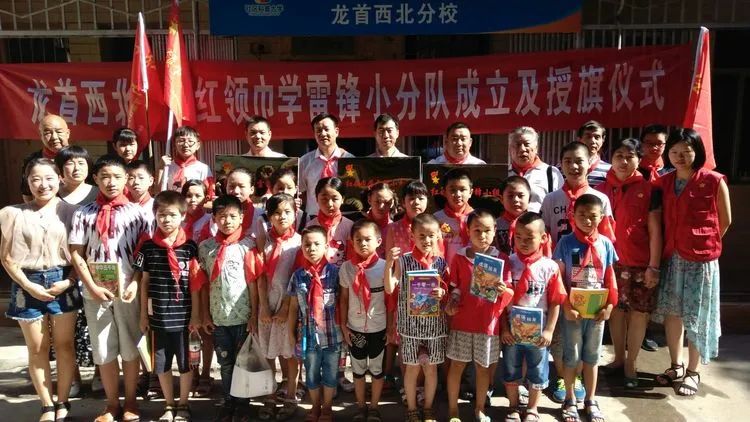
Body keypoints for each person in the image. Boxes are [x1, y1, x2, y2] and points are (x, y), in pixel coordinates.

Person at [68, 155, 152, 422]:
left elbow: (144, 254)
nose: (111, 182)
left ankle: (131, 402)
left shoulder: (139, 214)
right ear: (95, 179)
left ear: (126, 178)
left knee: (130, 347)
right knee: (103, 349)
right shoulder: (84, 213)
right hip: (95, 291)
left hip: (128, 290)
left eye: (117, 176)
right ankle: (112, 403)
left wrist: (135, 283)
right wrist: (91, 286)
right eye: (104, 176)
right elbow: (77, 253)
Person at [652, 128, 732, 396]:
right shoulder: (664, 182)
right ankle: (676, 365)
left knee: (697, 316)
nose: (679, 156)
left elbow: (725, 220)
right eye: (674, 151)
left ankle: (693, 371)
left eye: (686, 151)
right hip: (673, 257)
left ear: (697, 151)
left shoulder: (713, 180)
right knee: (673, 313)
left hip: (701, 261)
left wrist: (703, 242)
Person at [1, 158, 81, 422]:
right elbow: (7, 258)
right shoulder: (12, 213)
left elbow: (81, 255)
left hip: (63, 280)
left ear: (60, 179)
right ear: (27, 181)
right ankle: (46, 405)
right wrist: (28, 286)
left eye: (49, 178)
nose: (43, 184)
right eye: (35, 179)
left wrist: (69, 282)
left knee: (65, 345)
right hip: (27, 283)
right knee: (37, 348)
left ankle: (63, 401)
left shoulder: (74, 212)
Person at [540, 142, 614, 403]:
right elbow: (544, 237)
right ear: (561, 164)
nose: (573, 166)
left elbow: (607, 240)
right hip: (561, 273)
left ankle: (580, 377)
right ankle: (563, 376)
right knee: (562, 332)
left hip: (591, 280)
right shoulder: (551, 199)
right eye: (568, 161)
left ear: (590, 162)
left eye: (579, 160)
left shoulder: (600, 199)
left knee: (587, 333)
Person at [595, 138, 663, 388]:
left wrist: (653, 265)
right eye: (619, 156)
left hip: (640, 263)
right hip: (609, 263)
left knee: (638, 314)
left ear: (638, 159)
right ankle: (618, 358)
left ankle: (631, 362)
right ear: (611, 158)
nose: (623, 161)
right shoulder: (599, 189)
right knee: (616, 311)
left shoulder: (650, 189)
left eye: (630, 156)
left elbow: (655, 231)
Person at [134, 191, 204, 422]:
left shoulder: (190, 247)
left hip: (184, 318)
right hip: (158, 319)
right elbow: (144, 283)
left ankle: (183, 403)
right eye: (161, 215)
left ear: (183, 216)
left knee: (186, 363)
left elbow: (195, 284)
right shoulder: (148, 248)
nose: (166, 220)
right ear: (155, 215)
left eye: (172, 215)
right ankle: (169, 404)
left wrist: (196, 315)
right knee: (162, 364)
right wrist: (143, 315)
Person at [444, 210, 513, 422]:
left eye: (487, 230)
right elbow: (454, 287)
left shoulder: (501, 259)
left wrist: (503, 290)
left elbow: (509, 293)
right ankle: (453, 410)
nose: (482, 235)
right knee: (456, 366)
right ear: (468, 231)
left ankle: (480, 408)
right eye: (477, 230)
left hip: (488, 324)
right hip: (462, 322)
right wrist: (451, 302)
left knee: (483, 369)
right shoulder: (459, 257)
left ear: (494, 231)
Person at [554, 194, 618, 422]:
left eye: (593, 216)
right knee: (571, 356)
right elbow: (558, 277)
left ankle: (591, 399)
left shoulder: (606, 244)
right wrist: (566, 305)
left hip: (597, 310)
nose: (587, 220)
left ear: (601, 217)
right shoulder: (565, 242)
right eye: (582, 214)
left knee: (592, 357)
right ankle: (569, 399)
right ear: (573, 215)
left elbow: (610, 277)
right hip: (573, 310)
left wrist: (610, 305)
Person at [197, 195, 258, 421]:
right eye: (222, 216)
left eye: (233, 216)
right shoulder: (205, 247)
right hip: (218, 317)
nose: (227, 221)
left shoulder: (248, 245)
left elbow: (253, 283)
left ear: (242, 217)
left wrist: (254, 314)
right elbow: (202, 284)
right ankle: (228, 401)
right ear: (214, 218)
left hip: (243, 316)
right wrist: (204, 314)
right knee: (225, 362)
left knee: (243, 362)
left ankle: (243, 404)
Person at [502, 212, 567, 422]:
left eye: (529, 238)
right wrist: (504, 328)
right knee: (511, 368)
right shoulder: (508, 263)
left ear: (543, 238)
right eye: (518, 237)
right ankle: (513, 406)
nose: (523, 242)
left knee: (538, 370)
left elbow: (556, 300)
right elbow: (500, 301)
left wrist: (549, 330)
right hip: (512, 330)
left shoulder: (550, 267)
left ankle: (532, 408)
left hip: (538, 332)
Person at [384, 213, 449, 422]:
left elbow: (447, 292)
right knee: (411, 369)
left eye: (431, 235)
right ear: (412, 236)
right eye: (421, 235)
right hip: (410, 327)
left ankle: (428, 408)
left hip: (434, 327)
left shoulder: (441, 263)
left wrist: (442, 293)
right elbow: (389, 288)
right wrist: (388, 264)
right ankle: (412, 408)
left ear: (438, 236)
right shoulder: (403, 261)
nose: (426, 240)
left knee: (431, 370)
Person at [287, 226, 342, 422]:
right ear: (301, 248)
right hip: (308, 336)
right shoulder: (298, 276)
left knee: (330, 374)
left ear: (326, 246)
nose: (311, 248)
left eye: (317, 244)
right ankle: (315, 405)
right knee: (311, 374)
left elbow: (343, 303)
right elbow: (293, 308)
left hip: (333, 335)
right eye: (307, 245)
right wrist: (291, 333)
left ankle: (327, 407)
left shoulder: (336, 273)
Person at [255, 193, 302, 421]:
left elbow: (298, 276)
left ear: (295, 213)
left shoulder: (300, 242)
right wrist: (264, 307)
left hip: (289, 304)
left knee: (289, 352)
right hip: (267, 302)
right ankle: (270, 395)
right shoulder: (263, 241)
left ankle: (291, 395)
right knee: (268, 353)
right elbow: (259, 276)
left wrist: (285, 307)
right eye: (276, 213)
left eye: (287, 212)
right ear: (269, 216)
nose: (282, 217)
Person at [382, 180, 430, 399]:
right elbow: (390, 262)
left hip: (427, 292)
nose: (416, 202)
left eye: (420, 198)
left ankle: (421, 386)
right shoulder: (394, 228)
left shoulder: (433, 226)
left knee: (424, 341)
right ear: (403, 202)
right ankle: (407, 385)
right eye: (411, 198)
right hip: (401, 292)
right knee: (404, 341)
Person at [339, 220, 388, 422]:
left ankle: (374, 407)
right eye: (358, 240)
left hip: (379, 328)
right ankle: (361, 407)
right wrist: (344, 326)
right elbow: (343, 299)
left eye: (368, 239)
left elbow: (390, 301)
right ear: (351, 242)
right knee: (358, 370)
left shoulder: (385, 267)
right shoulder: (346, 268)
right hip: (355, 328)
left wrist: (391, 328)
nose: (363, 243)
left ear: (378, 241)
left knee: (377, 370)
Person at [179, 180, 215, 398]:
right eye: (188, 195)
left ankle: (206, 373)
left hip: (206, 280)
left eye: (198, 195)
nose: (193, 200)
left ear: (206, 198)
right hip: (182, 281)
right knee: (188, 329)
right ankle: (192, 371)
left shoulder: (210, 221)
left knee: (205, 328)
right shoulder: (178, 220)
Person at [298, 113, 355, 217]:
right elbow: (301, 193)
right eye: (318, 130)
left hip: (343, 218)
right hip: (313, 218)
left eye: (326, 129)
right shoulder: (304, 161)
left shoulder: (349, 160)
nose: (323, 133)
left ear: (336, 131)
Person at [507, 126, 563, 212]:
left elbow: (560, 206)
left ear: (536, 148)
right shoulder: (503, 173)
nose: (522, 149)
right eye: (517, 145)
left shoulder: (551, 173)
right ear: (510, 149)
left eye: (527, 144)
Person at [306, 177, 354, 267]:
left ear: (342, 199)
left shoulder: (350, 226)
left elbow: (352, 259)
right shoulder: (310, 226)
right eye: (324, 199)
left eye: (334, 199)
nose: (329, 204)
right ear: (316, 198)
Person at [22, 114, 71, 202]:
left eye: (59, 132)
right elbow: (26, 192)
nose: (54, 137)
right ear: (41, 136)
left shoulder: (80, 158)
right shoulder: (32, 160)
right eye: (47, 133)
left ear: (67, 133)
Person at [433, 168, 474, 265]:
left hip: (471, 270)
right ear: (444, 192)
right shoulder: (436, 218)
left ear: (470, 193)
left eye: (462, 189)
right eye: (452, 190)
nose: (458, 194)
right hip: (444, 270)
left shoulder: (477, 217)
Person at [160, 126, 213, 194]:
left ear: (198, 145)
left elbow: (209, 193)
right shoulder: (168, 167)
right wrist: (160, 168)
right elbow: (158, 193)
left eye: (190, 141)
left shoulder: (204, 169)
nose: (185, 145)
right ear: (175, 145)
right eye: (181, 141)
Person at [496, 176, 532, 256]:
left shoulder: (535, 224)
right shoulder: (495, 225)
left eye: (520, 196)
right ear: (501, 199)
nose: (516, 200)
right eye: (510, 196)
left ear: (529, 198)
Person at [225, 168, 265, 238]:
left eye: (241, 186)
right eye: (231, 186)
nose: (236, 191)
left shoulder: (261, 215)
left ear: (251, 189)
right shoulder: (217, 215)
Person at [576, 121, 612, 187]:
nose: (592, 141)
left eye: (597, 137)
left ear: (603, 140)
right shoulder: (563, 167)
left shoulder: (610, 170)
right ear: (579, 139)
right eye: (588, 136)